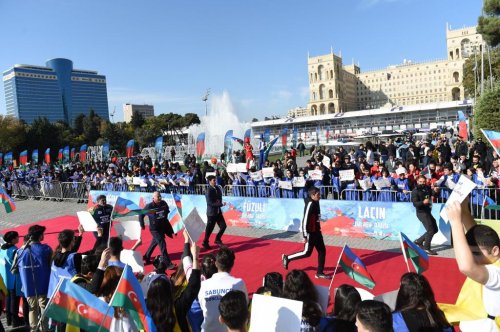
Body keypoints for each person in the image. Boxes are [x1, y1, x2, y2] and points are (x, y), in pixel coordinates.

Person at [446, 199, 500, 331]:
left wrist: (455, 223)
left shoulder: (496, 273)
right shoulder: (491, 259)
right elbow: (474, 231)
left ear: (495, 250)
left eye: (475, 253)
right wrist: (464, 207)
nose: (471, 258)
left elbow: (466, 267)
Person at [282, 186, 330, 279]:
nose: (320, 196)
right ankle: (287, 258)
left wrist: (321, 219)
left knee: (322, 251)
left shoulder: (317, 202)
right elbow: (305, 220)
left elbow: (317, 215)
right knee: (306, 253)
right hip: (310, 233)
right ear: (312, 195)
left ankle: (319, 272)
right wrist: (305, 234)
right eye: (318, 194)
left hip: (317, 231)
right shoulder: (310, 204)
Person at [198, 246, 247, 332]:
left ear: (216, 264)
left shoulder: (204, 285)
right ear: (232, 264)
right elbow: (244, 306)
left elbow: (203, 307)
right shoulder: (239, 283)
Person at [15, 225, 52, 332]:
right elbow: (52, 266)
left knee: (32, 309)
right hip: (44, 285)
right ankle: (44, 329)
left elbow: (15, 270)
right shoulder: (46, 249)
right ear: (40, 236)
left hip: (28, 287)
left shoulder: (20, 252)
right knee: (44, 308)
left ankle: (33, 329)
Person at [139, 191, 176, 270]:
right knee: (162, 243)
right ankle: (168, 263)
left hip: (162, 227)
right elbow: (141, 214)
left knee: (154, 242)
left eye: (160, 196)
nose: (159, 198)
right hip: (154, 229)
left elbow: (166, 214)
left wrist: (170, 229)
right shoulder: (149, 207)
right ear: (153, 198)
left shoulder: (163, 204)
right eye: (157, 196)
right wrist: (142, 225)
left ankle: (146, 256)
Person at [411, 175, 438, 255]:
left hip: (428, 211)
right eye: (420, 182)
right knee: (430, 231)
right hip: (421, 213)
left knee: (435, 229)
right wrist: (423, 202)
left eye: (423, 181)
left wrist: (435, 191)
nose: (422, 183)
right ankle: (427, 248)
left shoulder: (426, 187)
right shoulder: (415, 191)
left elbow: (431, 194)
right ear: (417, 181)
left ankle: (418, 241)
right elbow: (415, 204)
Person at [0, 231, 22, 327]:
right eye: (17, 237)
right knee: (14, 301)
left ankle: (9, 319)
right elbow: (16, 264)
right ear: (12, 240)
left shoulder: (2, 249)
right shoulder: (14, 251)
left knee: (8, 300)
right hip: (13, 279)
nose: (18, 238)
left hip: (5, 279)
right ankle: (15, 321)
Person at [203, 175, 227, 250]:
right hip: (211, 213)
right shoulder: (208, 190)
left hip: (218, 212)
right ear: (209, 181)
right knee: (209, 229)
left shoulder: (217, 188)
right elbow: (209, 202)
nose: (215, 181)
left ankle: (217, 239)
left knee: (223, 226)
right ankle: (205, 242)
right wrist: (220, 204)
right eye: (213, 180)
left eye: (215, 180)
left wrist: (220, 202)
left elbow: (220, 197)